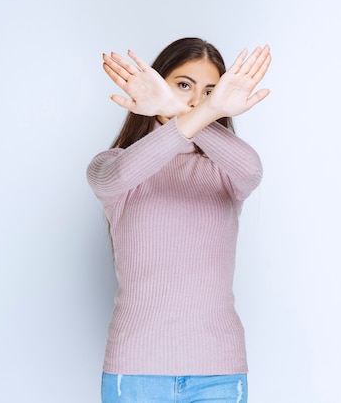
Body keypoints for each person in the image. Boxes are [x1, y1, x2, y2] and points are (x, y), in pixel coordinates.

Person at [87, 37, 272, 403]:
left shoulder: (227, 169)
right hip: (136, 370)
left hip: (218, 372)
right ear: (157, 84)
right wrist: (187, 115)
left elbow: (253, 168)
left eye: (210, 93)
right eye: (183, 86)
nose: (194, 101)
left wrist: (177, 111)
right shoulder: (111, 163)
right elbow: (120, 175)